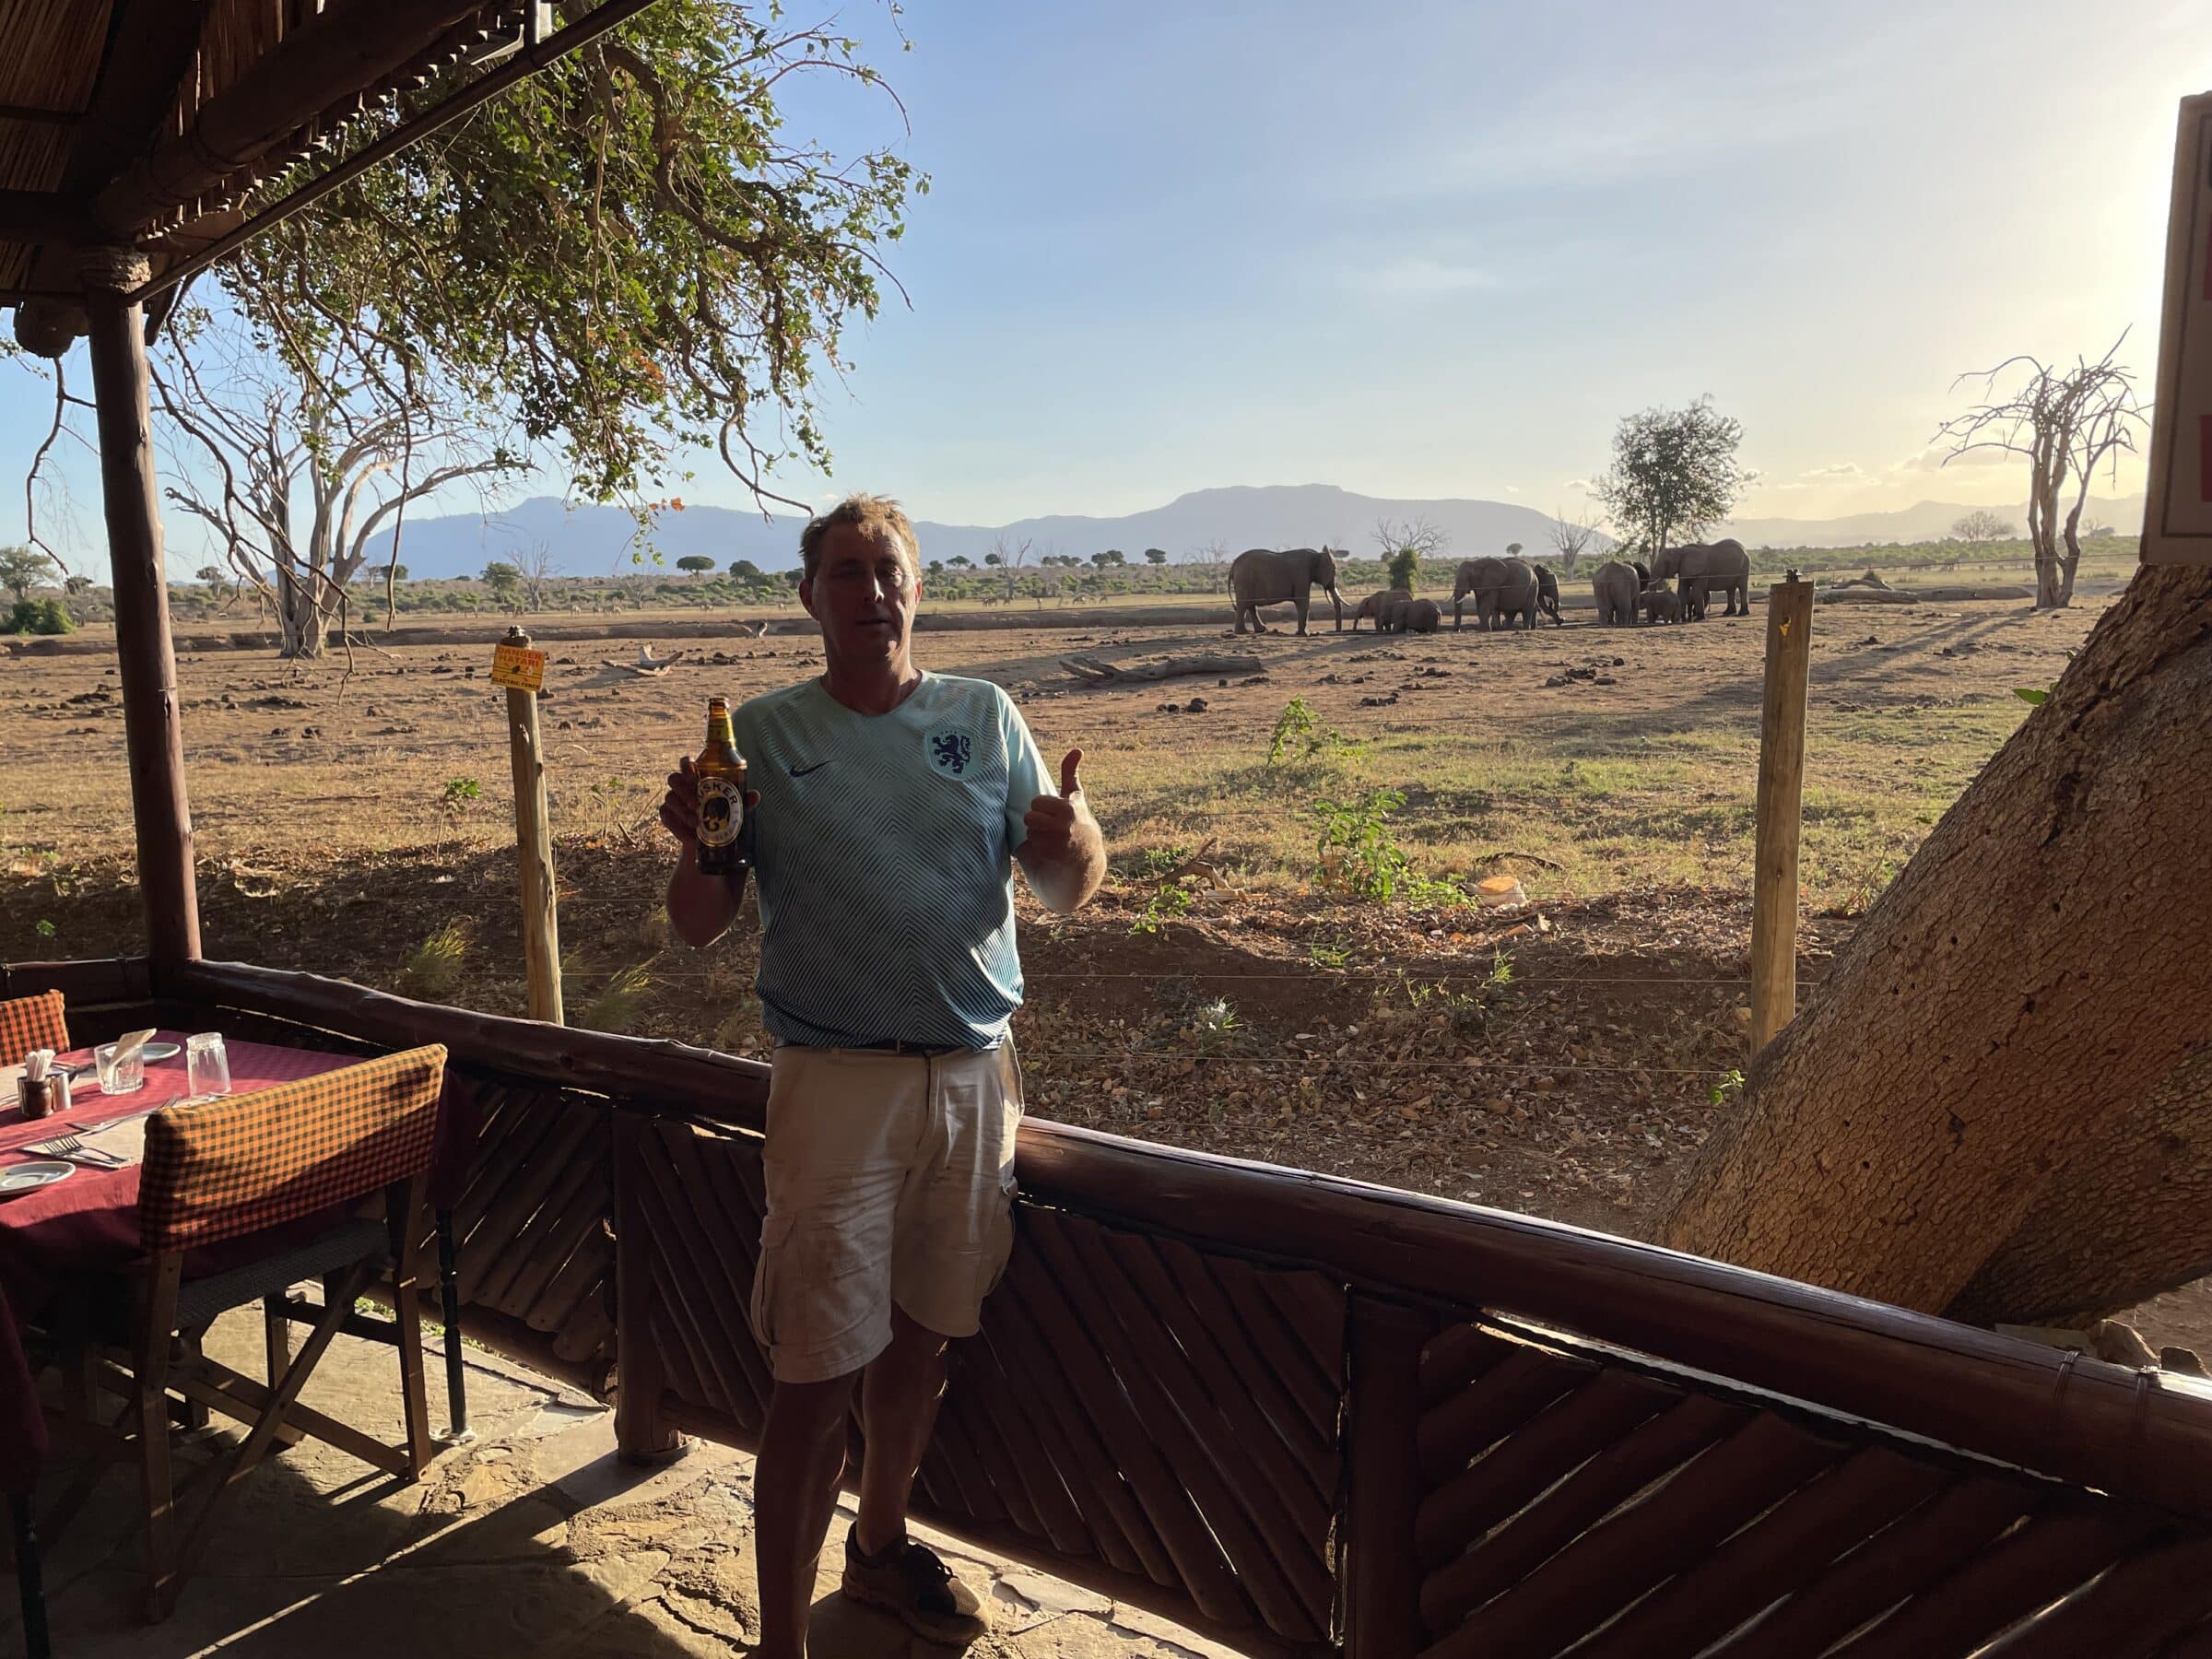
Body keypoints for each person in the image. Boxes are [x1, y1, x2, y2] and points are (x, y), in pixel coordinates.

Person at [658, 494, 1105, 1657]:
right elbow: (700, 924)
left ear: (921, 585)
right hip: (834, 1086)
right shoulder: (757, 732)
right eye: (846, 572)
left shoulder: (983, 714)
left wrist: (1076, 842)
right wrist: (701, 850)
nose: (873, 591)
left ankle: (878, 1547)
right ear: (810, 597)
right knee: (812, 1375)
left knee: (924, 1341)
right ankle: (780, 1643)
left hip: (971, 1079)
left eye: (889, 569)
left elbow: (1061, 891)